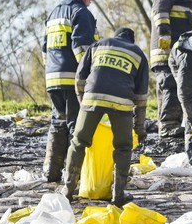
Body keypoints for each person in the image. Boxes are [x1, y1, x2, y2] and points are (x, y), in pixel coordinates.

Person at [62, 28, 149, 207]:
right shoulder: (138, 53)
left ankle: (68, 190)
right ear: (131, 41)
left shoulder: (98, 45)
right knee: (123, 147)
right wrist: (139, 128)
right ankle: (118, 194)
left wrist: (83, 104)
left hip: (92, 97)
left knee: (78, 142)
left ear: (116, 36)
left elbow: (79, 78)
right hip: (121, 102)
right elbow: (141, 97)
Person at [42, 0, 99, 183]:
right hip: (73, 79)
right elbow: (82, 49)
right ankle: (77, 175)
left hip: (52, 79)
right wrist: (91, 77)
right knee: (78, 126)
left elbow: (44, 49)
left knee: (58, 124)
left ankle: (51, 172)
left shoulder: (54, 12)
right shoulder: (81, 13)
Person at [150, 0, 192, 138]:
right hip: (167, 49)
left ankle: (173, 124)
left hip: (179, 51)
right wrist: (164, 31)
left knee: (179, 85)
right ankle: (167, 125)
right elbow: (160, 8)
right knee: (169, 85)